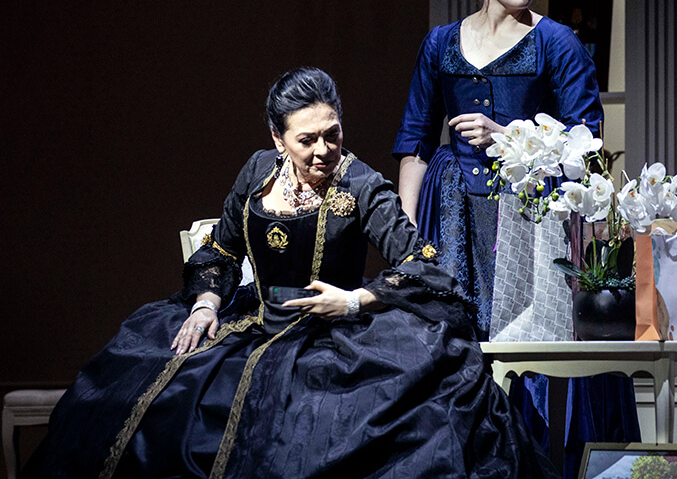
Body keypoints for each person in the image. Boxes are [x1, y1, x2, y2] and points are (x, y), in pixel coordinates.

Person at [23, 67, 557, 479]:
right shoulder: (257, 172)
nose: (323, 150)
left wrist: (353, 301)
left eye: (333, 134)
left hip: (333, 337)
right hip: (254, 322)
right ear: (278, 139)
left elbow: (423, 265)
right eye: (307, 140)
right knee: (139, 399)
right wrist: (206, 303)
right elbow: (220, 251)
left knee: (330, 434)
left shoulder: (361, 185)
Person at [393, 0, 638, 479]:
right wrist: (405, 237)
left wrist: (506, 136)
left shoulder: (557, 43)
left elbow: (588, 147)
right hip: (453, 217)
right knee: (456, 349)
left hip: (530, 217)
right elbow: (414, 145)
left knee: (530, 351)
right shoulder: (440, 44)